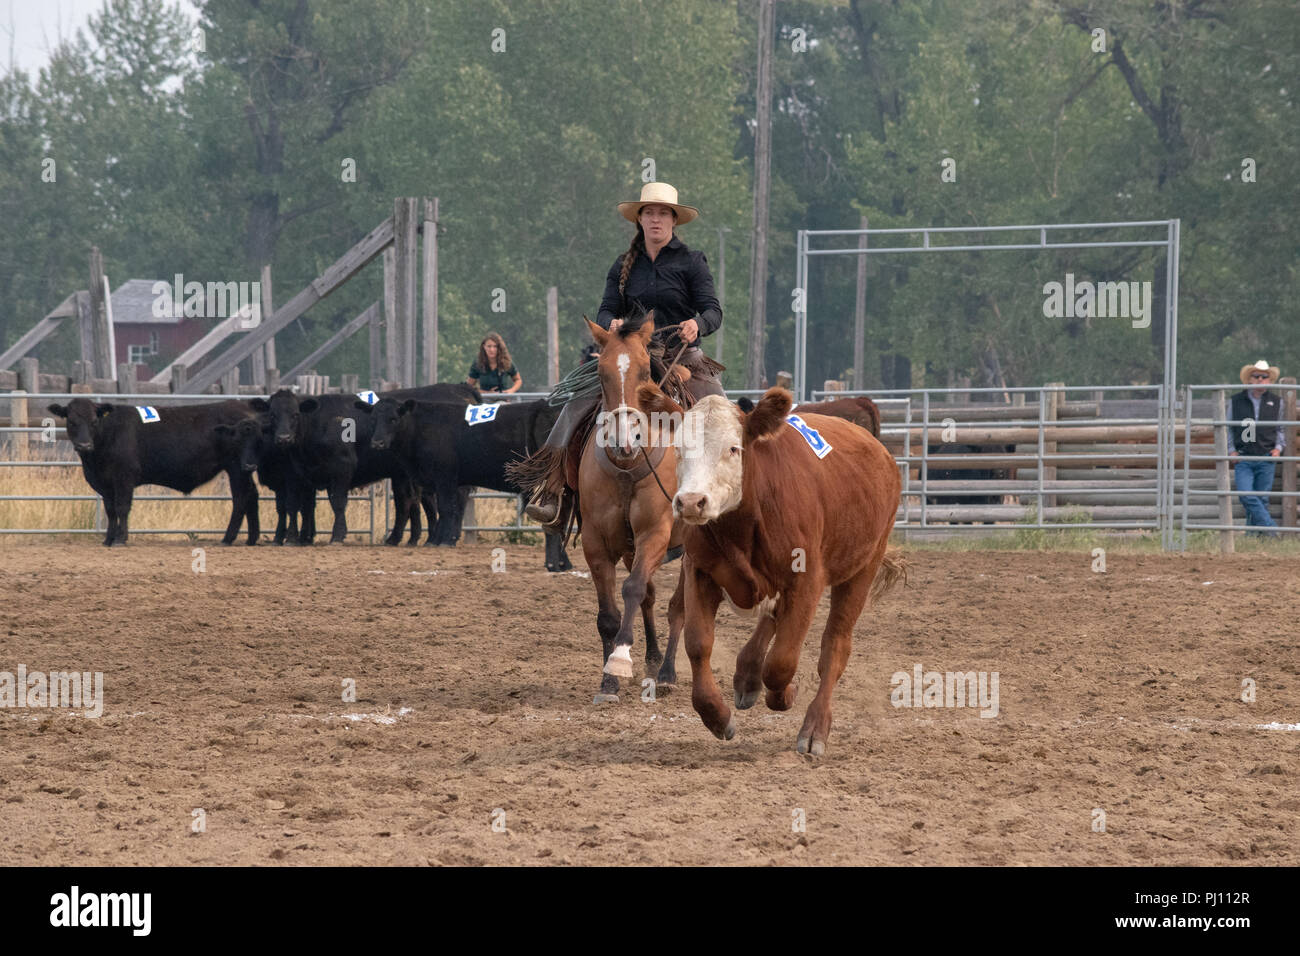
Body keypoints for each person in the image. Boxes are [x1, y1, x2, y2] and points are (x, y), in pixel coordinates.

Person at [521, 181, 725, 528]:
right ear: (640, 220)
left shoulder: (692, 262)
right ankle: (553, 490)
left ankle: (728, 500)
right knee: (576, 404)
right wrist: (610, 322)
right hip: (631, 357)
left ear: (674, 220)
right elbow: (604, 309)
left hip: (681, 357)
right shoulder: (624, 264)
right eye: (650, 213)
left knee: (721, 417)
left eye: (663, 214)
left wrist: (697, 323)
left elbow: (713, 310)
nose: (656, 220)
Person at [1229, 359, 1285, 536]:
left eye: (1264, 376)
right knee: (1246, 494)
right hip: (1244, 456)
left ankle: (1252, 537)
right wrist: (1231, 450)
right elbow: (1228, 427)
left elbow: (1281, 428)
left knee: (1261, 498)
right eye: (1257, 376)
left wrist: (1278, 448)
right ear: (1250, 379)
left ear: (1269, 380)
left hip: (1266, 455)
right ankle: (1272, 531)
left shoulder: (1277, 402)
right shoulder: (1236, 401)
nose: (1261, 379)